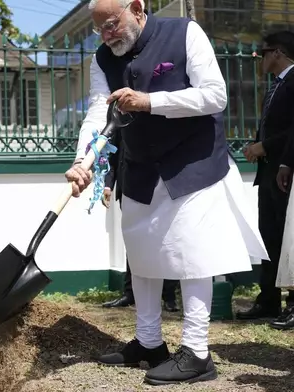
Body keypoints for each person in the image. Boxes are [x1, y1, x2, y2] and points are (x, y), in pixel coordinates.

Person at [64, 0, 269, 385]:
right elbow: (98, 113)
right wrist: (83, 162)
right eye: (100, 30)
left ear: (137, 8)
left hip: (194, 163)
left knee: (192, 254)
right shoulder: (102, 59)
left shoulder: (186, 32)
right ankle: (148, 342)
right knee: (141, 254)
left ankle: (197, 352)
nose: (107, 36)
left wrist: (150, 102)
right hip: (141, 168)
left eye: (112, 24)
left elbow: (215, 96)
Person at [239, 31, 294, 327]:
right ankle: (268, 299)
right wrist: (258, 147)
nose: (259, 58)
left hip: (287, 173)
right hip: (269, 172)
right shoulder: (276, 86)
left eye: (263, 52)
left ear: (279, 52)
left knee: (290, 241)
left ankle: (292, 303)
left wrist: (267, 146)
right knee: (269, 238)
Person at [100, 127, 179, 312]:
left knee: (166, 240)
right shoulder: (122, 115)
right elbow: (113, 151)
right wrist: (108, 185)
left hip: (158, 187)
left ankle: (169, 295)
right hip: (127, 189)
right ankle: (130, 293)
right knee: (134, 240)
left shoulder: (154, 109)